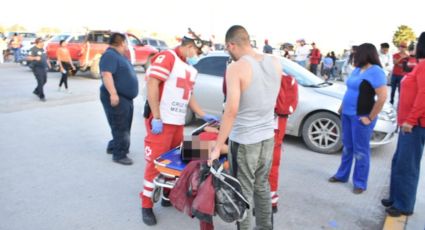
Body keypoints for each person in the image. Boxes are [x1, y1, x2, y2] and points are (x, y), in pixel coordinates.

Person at [140, 29, 218, 226]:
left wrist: (202, 114)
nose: (197, 57)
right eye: (197, 52)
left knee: (175, 161)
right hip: (162, 121)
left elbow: (188, 94)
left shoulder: (190, 69)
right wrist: (156, 116)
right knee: (154, 164)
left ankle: (167, 193)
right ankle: (146, 204)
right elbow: (152, 83)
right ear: (190, 46)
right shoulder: (168, 57)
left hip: (176, 122)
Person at [209, 25, 281, 230]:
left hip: (245, 140)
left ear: (231, 44)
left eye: (227, 49)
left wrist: (216, 148)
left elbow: (230, 111)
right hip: (267, 136)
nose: (228, 53)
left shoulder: (236, 67)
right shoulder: (274, 62)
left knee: (243, 192)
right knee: (262, 186)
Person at [329, 43, 387, 194]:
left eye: (356, 53)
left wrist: (370, 117)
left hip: (361, 117)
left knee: (361, 150)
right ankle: (342, 175)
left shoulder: (376, 71)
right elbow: (350, 89)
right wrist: (342, 107)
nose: (354, 55)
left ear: (365, 54)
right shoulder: (357, 69)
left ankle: (360, 182)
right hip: (347, 115)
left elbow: (382, 97)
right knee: (347, 147)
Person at [381, 32, 425, 217]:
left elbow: (423, 96)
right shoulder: (419, 65)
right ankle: (395, 198)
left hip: (414, 125)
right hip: (407, 123)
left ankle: (404, 205)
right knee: (399, 161)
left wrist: (411, 120)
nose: (412, 46)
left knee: (407, 165)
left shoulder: (423, 66)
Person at [99, 33, 138, 165]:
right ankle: (119, 154)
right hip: (118, 97)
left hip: (125, 97)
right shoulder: (110, 55)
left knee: (123, 125)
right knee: (120, 126)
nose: (127, 46)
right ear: (122, 43)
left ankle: (114, 146)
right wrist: (113, 94)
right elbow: (106, 74)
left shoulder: (119, 56)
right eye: (126, 43)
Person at [27, 37, 51, 101]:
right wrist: (35, 58)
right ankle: (41, 96)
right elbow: (28, 57)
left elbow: (45, 57)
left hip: (43, 67)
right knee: (40, 81)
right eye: (42, 42)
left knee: (44, 81)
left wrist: (48, 64)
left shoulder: (43, 49)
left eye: (43, 42)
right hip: (36, 67)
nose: (43, 43)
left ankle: (36, 90)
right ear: (38, 43)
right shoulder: (33, 49)